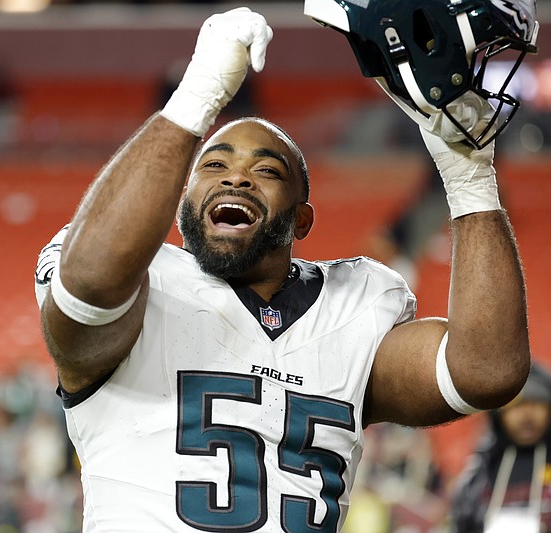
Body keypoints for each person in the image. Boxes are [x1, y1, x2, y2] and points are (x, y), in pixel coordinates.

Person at [34, 7, 530, 532]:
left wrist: (468, 177)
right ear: (181, 202)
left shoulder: (353, 304)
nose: (237, 179)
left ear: (302, 219)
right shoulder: (144, 282)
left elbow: (487, 372)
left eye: (266, 171)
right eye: (214, 165)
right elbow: (88, 286)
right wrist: (194, 99)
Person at [451, 364, 551, 532]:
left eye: (536, 404)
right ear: (498, 415)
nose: (526, 416)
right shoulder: (480, 471)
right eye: (516, 407)